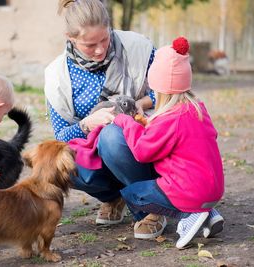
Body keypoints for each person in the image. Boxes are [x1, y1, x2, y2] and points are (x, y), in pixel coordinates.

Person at [44, 0, 165, 239]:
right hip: (93, 150)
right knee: (61, 164)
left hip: (140, 145)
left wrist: (139, 104)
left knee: (111, 137)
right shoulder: (57, 75)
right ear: (70, 38)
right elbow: (61, 136)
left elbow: (167, 91)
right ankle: (114, 197)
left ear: (110, 28)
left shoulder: (137, 47)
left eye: (104, 39)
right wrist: (85, 124)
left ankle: (151, 208)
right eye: (90, 45)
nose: (100, 50)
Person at [113, 37, 225, 248]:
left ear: (159, 89)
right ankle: (207, 211)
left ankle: (189, 215)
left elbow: (141, 151)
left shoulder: (169, 118)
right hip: (213, 189)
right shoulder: (197, 108)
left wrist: (125, 121)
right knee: (184, 187)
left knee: (132, 194)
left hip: (188, 190)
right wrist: (147, 124)